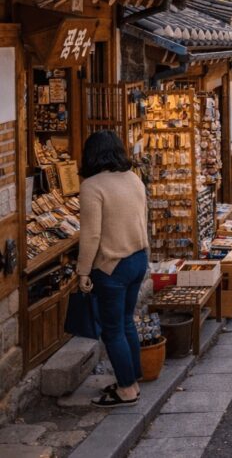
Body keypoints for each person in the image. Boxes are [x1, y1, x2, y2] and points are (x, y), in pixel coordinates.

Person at [78, 130, 149, 407]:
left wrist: (83, 271)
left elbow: (91, 235)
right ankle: (132, 377)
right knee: (126, 321)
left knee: (112, 330)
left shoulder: (93, 186)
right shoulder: (133, 179)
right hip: (137, 259)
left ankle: (127, 389)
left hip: (111, 265)